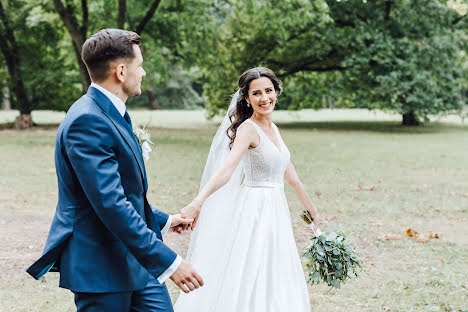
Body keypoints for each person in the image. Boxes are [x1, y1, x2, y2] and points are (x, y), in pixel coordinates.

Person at [26, 29, 203, 312]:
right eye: (139, 65)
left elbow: (124, 194)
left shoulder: (112, 111)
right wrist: (169, 262)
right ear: (121, 71)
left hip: (136, 261)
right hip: (102, 265)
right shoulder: (87, 120)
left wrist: (164, 221)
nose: (142, 73)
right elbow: (110, 203)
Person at [174, 67, 319, 311]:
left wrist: (311, 209)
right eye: (257, 93)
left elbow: (292, 176)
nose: (265, 98)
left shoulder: (274, 130)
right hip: (255, 209)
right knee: (253, 266)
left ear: (276, 92)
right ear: (247, 98)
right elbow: (226, 170)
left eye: (269, 91)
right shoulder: (248, 129)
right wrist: (198, 201)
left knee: (275, 267)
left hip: (277, 209)